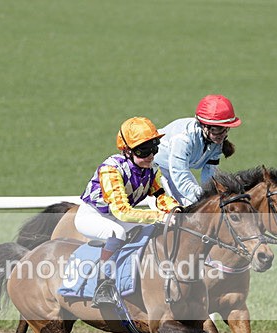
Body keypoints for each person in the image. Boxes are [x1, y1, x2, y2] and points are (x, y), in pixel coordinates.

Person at [75, 116, 180, 307]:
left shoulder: (151, 169)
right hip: (92, 216)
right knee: (118, 233)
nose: (150, 155)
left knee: (151, 231)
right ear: (127, 151)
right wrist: (159, 216)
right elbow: (122, 211)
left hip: (115, 216)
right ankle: (103, 285)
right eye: (143, 150)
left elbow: (160, 195)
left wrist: (175, 210)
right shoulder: (111, 170)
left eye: (153, 148)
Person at [153, 94, 241, 206]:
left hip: (173, 170)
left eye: (225, 129)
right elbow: (180, 177)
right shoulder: (182, 140)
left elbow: (209, 175)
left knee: (197, 204)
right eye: (216, 129)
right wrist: (205, 199)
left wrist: (212, 195)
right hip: (152, 168)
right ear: (203, 126)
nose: (222, 135)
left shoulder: (216, 140)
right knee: (177, 209)